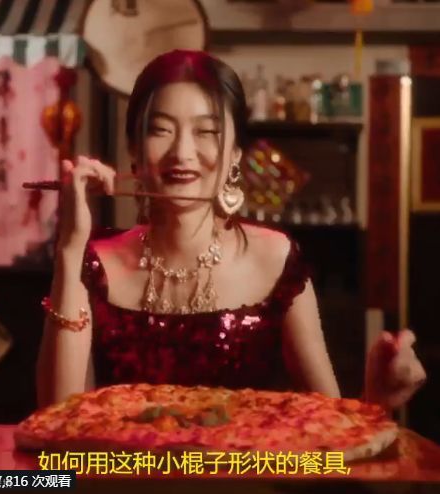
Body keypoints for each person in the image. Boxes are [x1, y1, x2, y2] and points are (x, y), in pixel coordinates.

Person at [36, 50, 426, 415]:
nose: (182, 152)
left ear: (235, 153)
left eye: (206, 131)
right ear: (134, 151)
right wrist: (70, 247)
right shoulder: (93, 263)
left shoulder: (276, 260)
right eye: (161, 130)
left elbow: (332, 433)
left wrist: (375, 402)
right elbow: (57, 422)